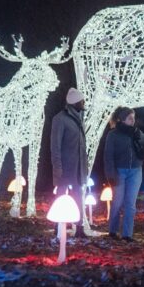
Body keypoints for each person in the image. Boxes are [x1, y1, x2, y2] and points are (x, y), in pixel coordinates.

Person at [103, 106, 144, 240]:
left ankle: (127, 234)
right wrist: (110, 176)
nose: (133, 121)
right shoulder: (113, 135)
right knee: (117, 202)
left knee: (130, 204)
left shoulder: (136, 133)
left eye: (134, 118)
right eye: (130, 118)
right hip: (119, 172)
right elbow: (108, 157)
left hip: (135, 171)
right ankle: (112, 232)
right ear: (122, 120)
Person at [48, 87, 89, 234]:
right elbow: (55, 145)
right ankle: (58, 226)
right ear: (75, 102)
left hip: (78, 168)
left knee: (79, 196)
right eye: (82, 100)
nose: (84, 102)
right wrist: (57, 167)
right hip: (65, 168)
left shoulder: (79, 119)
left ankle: (79, 227)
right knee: (61, 195)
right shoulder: (60, 119)